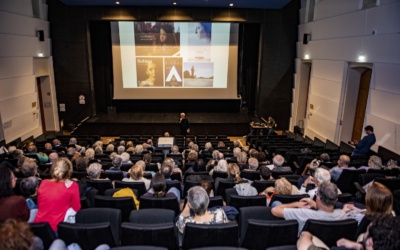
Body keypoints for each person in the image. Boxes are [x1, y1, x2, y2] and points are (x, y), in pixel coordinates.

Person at [271, 182, 348, 233]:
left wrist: (296, 204)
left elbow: (275, 210)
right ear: (336, 199)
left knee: (276, 203)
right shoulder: (343, 215)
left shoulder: (304, 213)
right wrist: (315, 204)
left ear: (318, 198)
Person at [34, 158, 81, 231]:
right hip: (57, 228)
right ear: (69, 172)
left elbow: (40, 204)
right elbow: (76, 208)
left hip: (39, 227)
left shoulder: (44, 183)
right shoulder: (73, 186)